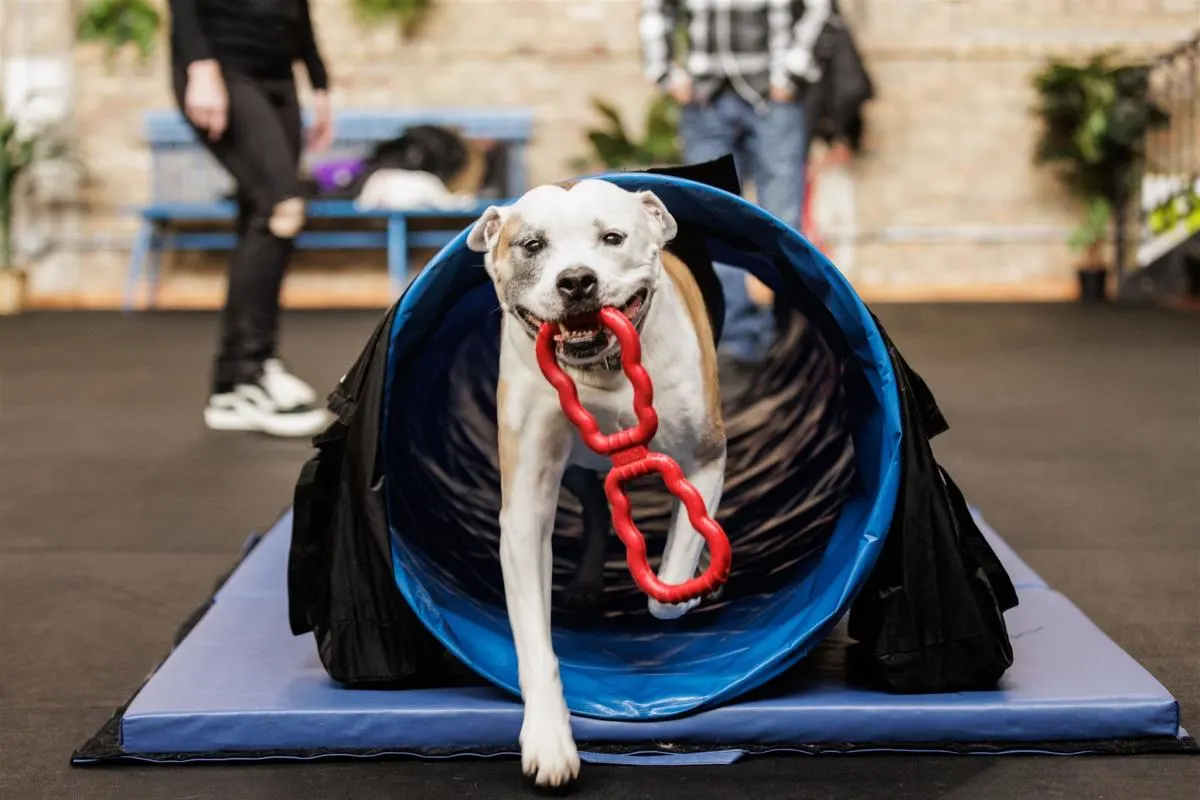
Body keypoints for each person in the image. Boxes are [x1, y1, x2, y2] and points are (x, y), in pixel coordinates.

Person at [168, 0, 334, 437]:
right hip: (225, 68)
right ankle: (249, 370)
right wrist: (200, 68)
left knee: (261, 216)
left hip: (278, 73)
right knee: (282, 205)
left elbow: (297, 10)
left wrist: (319, 85)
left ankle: (234, 381)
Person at [639, 0, 832, 367]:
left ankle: (790, 337)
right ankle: (736, 337)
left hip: (774, 99)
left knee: (784, 221)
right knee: (713, 224)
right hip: (703, 102)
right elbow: (655, 8)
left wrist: (793, 72)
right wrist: (664, 72)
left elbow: (820, 9)